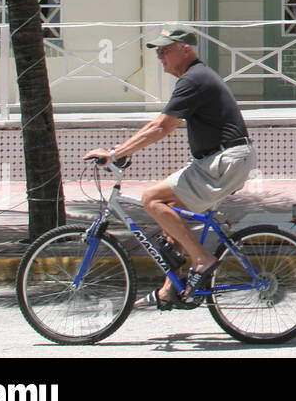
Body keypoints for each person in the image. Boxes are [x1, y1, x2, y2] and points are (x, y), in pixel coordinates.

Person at [84, 25, 255, 310]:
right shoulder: (194, 78)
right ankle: (168, 290)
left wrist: (114, 154)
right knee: (168, 216)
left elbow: (161, 126)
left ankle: (202, 258)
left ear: (184, 49)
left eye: (165, 50)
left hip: (223, 161)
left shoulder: (194, 79)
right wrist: (123, 152)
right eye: (157, 51)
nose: (160, 56)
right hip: (221, 160)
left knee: (151, 198)